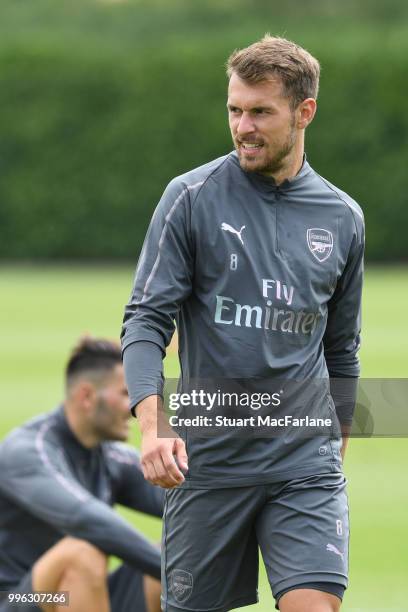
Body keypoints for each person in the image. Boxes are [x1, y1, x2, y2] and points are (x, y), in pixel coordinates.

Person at [122, 35, 364, 612]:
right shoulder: (190, 197)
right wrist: (154, 427)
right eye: (235, 109)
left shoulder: (342, 217)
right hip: (208, 464)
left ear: (304, 112)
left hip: (304, 463)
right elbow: (145, 321)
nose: (243, 126)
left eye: (261, 111)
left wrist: (338, 443)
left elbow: (341, 349)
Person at [0, 337, 164, 612]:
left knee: (181, 552)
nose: (135, 408)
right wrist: (171, 572)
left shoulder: (110, 456)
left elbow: (187, 501)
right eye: (126, 394)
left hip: (72, 599)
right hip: (15, 599)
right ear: (87, 396)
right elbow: (87, 521)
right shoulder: (28, 451)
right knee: (81, 552)